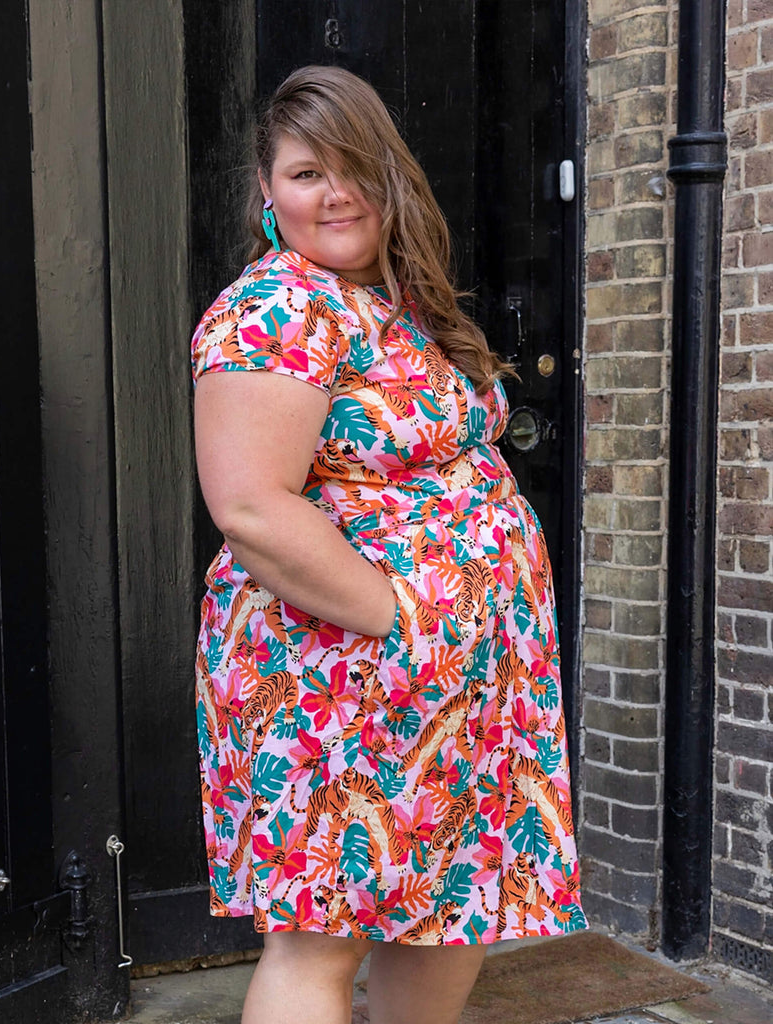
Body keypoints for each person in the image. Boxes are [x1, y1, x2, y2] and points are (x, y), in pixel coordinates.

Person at [191, 65, 586, 1024]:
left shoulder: (400, 300)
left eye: (351, 169)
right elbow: (249, 507)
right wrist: (401, 615)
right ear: (265, 193)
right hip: (342, 663)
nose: (331, 194)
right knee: (321, 931)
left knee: (451, 912)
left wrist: (459, 631)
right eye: (301, 173)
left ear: (389, 176)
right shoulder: (272, 311)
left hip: (467, 674)